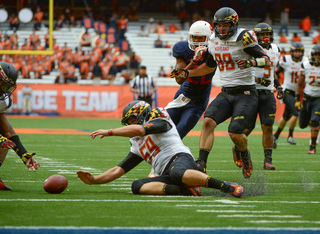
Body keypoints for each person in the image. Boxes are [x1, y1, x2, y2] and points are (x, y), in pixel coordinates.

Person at [171, 7, 271, 179]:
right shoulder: (213, 40)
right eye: (219, 25)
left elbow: (267, 61)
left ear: (233, 24)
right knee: (208, 121)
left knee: (234, 133)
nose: (222, 29)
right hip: (226, 92)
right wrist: (188, 73)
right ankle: (201, 163)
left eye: (226, 25)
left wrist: (252, 62)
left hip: (245, 92)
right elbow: (209, 67)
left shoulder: (243, 37)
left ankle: (244, 153)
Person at [77, 100, 244, 198]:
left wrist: (109, 132)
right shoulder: (136, 142)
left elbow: (141, 130)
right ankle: (185, 190)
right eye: (128, 121)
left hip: (181, 160)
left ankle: (225, 186)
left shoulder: (159, 118)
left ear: (143, 114)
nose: (130, 123)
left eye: (132, 119)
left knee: (176, 173)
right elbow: (120, 169)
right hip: (166, 172)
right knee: (137, 186)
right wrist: (95, 180)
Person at [242, 23, 281, 170]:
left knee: (268, 126)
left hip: (267, 93)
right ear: (256, 37)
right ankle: (238, 146)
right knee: (248, 126)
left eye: (267, 35)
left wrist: (277, 85)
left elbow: (271, 72)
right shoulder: (249, 49)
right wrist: (258, 80)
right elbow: (241, 71)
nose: (266, 37)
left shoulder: (276, 49)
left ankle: (267, 160)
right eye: (262, 35)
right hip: (251, 92)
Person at [166, 20, 214, 139]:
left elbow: (206, 69)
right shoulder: (182, 48)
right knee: (162, 125)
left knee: (177, 135)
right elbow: (179, 80)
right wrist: (194, 61)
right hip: (183, 93)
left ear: (208, 37)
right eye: (194, 37)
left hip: (199, 99)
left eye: (200, 37)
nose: (196, 41)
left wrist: (189, 69)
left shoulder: (214, 51)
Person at [0, 62, 40, 190]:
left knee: (6, 142)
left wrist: (22, 153)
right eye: (4, 84)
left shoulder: (3, 100)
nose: (6, 89)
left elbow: (8, 132)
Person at [273, 42, 308, 148]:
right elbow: (276, 72)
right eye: (295, 51)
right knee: (296, 112)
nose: (297, 54)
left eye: (299, 51)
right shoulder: (285, 60)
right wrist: (276, 85)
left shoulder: (305, 62)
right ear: (292, 52)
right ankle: (290, 136)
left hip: (297, 92)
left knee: (286, 115)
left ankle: (275, 136)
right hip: (286, 90)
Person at [295, 45, 320, 154]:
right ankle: (314, 126)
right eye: (316, 55)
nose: (317, 58)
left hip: (318, 98)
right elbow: (300, 84)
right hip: (307, 97)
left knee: (314, 121)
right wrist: (297, 100)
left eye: (319, 56)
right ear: (311, 56)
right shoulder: (305, 66)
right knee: (302, 124)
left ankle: (312, 146)